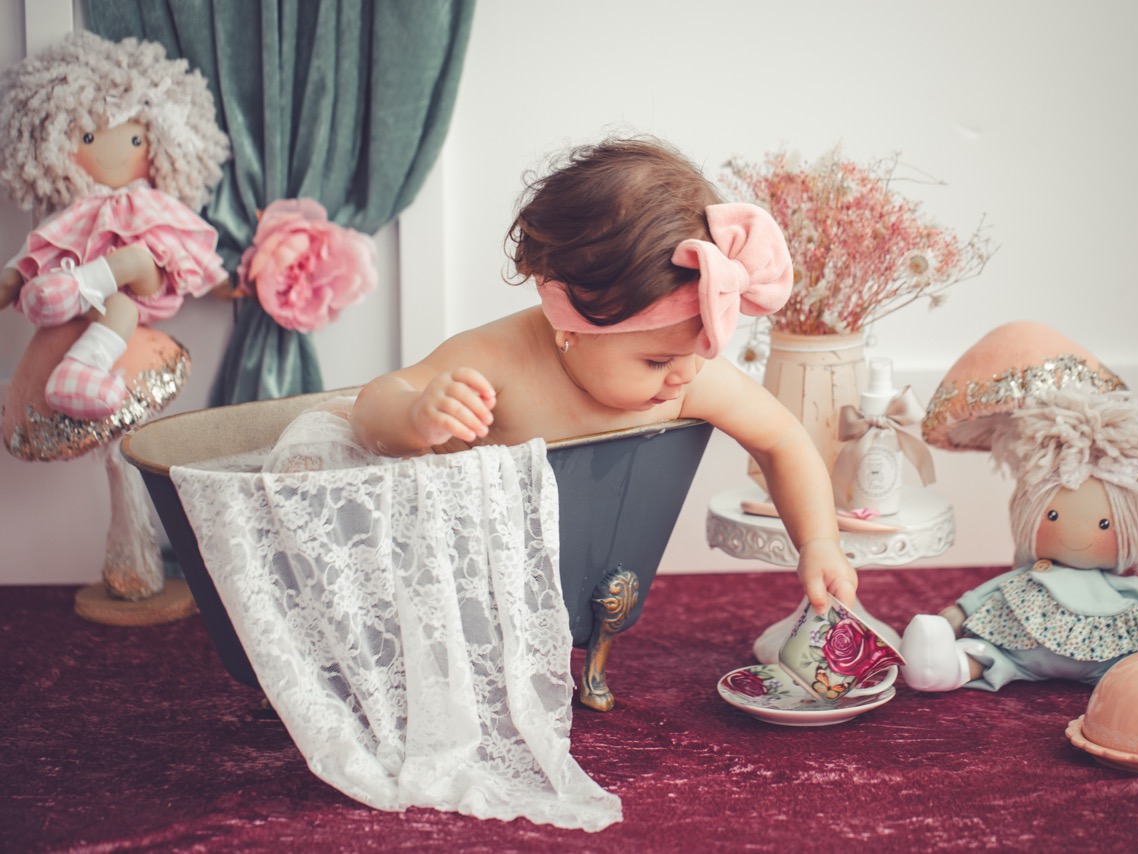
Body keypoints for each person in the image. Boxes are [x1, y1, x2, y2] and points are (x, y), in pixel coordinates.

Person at [352, 136, 857, 614]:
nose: (685, 375)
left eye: (701, 350)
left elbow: (782, 440)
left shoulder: (688, 373)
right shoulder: (498, 359)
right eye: (657, 361)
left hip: (584, 573)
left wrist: (818, 541)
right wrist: (417, 415)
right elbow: (372, 403)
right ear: (569, 325)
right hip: (452, 572)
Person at [900, 388, 1138, 692]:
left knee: (1135, 664)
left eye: (1104, 525)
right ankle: (944, 666)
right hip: (1018, 652)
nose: (1080, 533)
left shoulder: (1120, 588)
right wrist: (955, 617)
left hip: (1105, 661)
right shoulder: (1026, 579)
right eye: (1051, 516)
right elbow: (981, 597)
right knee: (985, 653)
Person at [0, 32, 229, 420]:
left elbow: (190, 247)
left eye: (135, 139)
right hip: (103, 303)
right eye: (88, 137)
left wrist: (224, 283)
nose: (114, 151)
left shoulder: (152, 203)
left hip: (144, 284)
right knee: (121, 310)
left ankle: (76, 287)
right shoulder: (74, 211)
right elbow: (38, 247)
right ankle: (81, 371)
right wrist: (10, 279)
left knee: (138, 258)